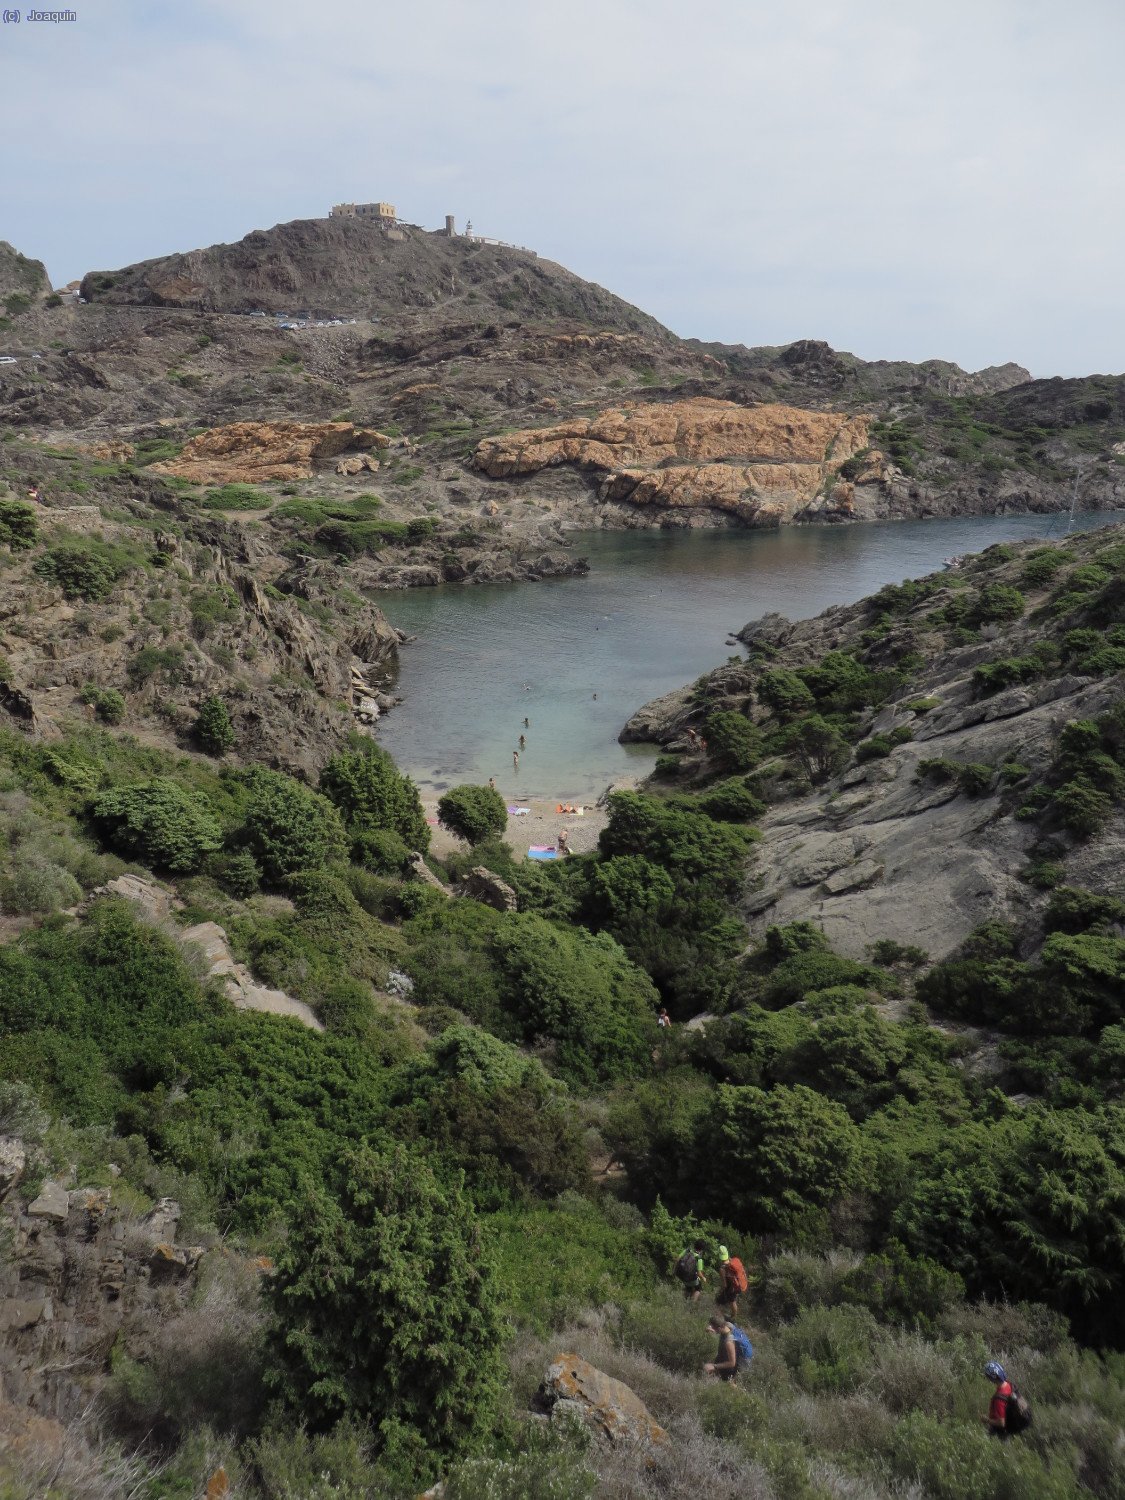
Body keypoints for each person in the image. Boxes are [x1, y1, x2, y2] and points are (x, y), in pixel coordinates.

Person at [704, 1315, 753, 1382]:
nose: (710, 1327)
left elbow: (732, 1363)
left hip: (744, 1359)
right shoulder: (727, 1325)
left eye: (712, 1327)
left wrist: (714, 1366)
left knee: (736, 1380)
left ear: (719, 1328)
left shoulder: (728, 1342)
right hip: (736, 1351)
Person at [716, 1245, 749, 1320]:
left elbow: (724, 1284)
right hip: (738, 1286)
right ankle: (733, 1317)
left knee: (723, 1302)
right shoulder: (734, 1260)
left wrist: (721, 1291)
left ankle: (729, 1318)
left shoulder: (722, 1269)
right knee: (732, 1301)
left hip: (733, 1288)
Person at [982, 1361, 1013, 1439]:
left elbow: (1001, 1423)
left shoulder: (999, 1399)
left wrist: (987, 1420)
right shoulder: (1009, 1385)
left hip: (1001, 1433)